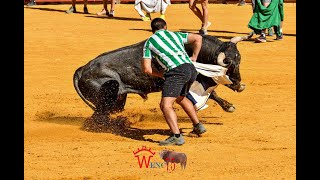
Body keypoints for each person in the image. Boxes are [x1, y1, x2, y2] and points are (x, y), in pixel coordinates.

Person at [141, 18, 206, 146]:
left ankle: (176, 136)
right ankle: (198, 125)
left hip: (176, 72)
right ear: (165, 26)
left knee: (165, 105)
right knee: (181, 98)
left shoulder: (149, 42)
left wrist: (161, 74)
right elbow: (198, 38)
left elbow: (147, 69)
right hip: (190, 69)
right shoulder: (174, 34)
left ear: (152, 30)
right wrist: (194, 57)